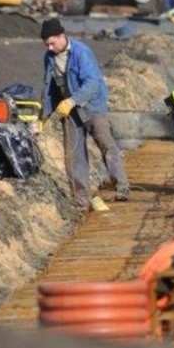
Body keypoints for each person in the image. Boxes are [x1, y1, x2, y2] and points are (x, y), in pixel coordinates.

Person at [40, 18, 130, 207]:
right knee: (74, 155)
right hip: (69, 111)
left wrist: (73, 100)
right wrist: (44, 116)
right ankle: (81, 198)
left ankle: (122, 187)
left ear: (61, 36)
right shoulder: (49, 58)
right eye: (46, 44)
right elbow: (49, 88)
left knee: (106, 145)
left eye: (52, 43)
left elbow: (92, 83)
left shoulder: (82, 53)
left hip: (91, 106)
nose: (49, 48)